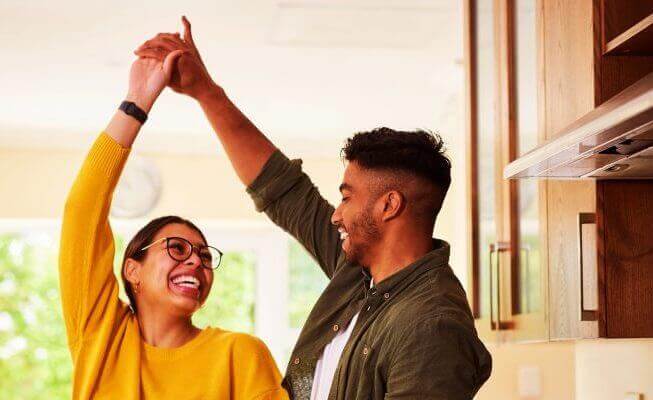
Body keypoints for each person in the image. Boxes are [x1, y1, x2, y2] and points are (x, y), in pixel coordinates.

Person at [136, 16, 492, 400]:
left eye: (347, 197)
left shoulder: (432, 324)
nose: (336, 214)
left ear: (389, 206)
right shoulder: (358, 274)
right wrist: (205, 92)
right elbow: (284, 192)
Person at [59, 44, 288, 399]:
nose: (197, 261)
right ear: (132, 270)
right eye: (178, 248)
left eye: (205, 256)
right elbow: (82, 212)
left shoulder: (239, 354)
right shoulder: (101, 337)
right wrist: (137, 101)